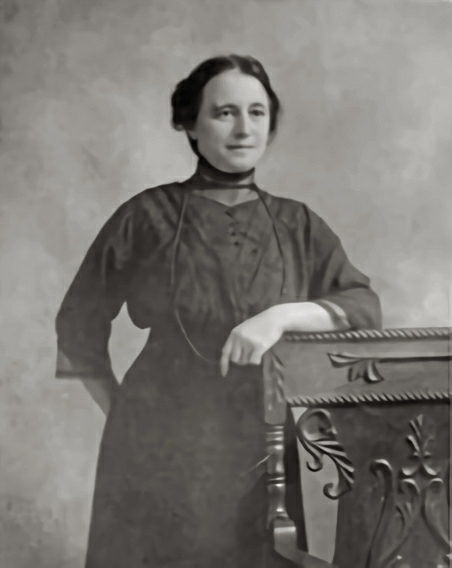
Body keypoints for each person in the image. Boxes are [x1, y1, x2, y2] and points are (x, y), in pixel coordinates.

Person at [55, 54, 382, 568]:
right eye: (224, 113)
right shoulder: (145, 216)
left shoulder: (297, 224)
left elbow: (362, 306)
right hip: (157, 439)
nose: (243, 128)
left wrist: (279, 317)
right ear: (190, 122)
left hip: (263, 436)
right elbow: (78, 322)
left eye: (256, 112)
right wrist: (124, 413)